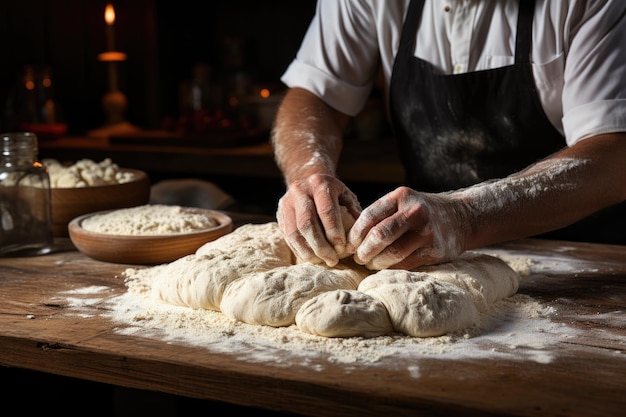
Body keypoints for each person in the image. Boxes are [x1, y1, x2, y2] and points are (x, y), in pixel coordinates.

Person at [271, 0, 626, 271]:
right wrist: (308, 174)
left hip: (581, 259)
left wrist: (466, 217)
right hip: (429, 258)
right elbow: (316, 94)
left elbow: (616, 154)